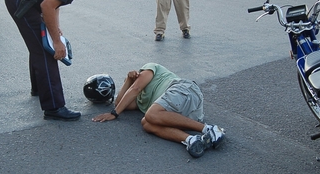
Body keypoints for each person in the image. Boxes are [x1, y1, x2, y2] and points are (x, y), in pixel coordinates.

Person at [4, 0, 116, 121]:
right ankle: (54, 107)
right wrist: (57, 42)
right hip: (21, 0)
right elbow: (48, 6)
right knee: (46, 51)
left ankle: (39, 89)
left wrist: (55, 29)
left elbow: (55, 4)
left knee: (40, 43)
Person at [92, 63, 225, 158]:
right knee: (146, 122)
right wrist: (128, 80)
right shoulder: (140, 101)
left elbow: (135, 89)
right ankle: (192, 140)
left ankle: (209, 129)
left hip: (184, 90)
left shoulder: (150, 68)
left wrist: (114, 114)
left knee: (151, 114)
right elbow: (120, 103)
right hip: (186, 114)